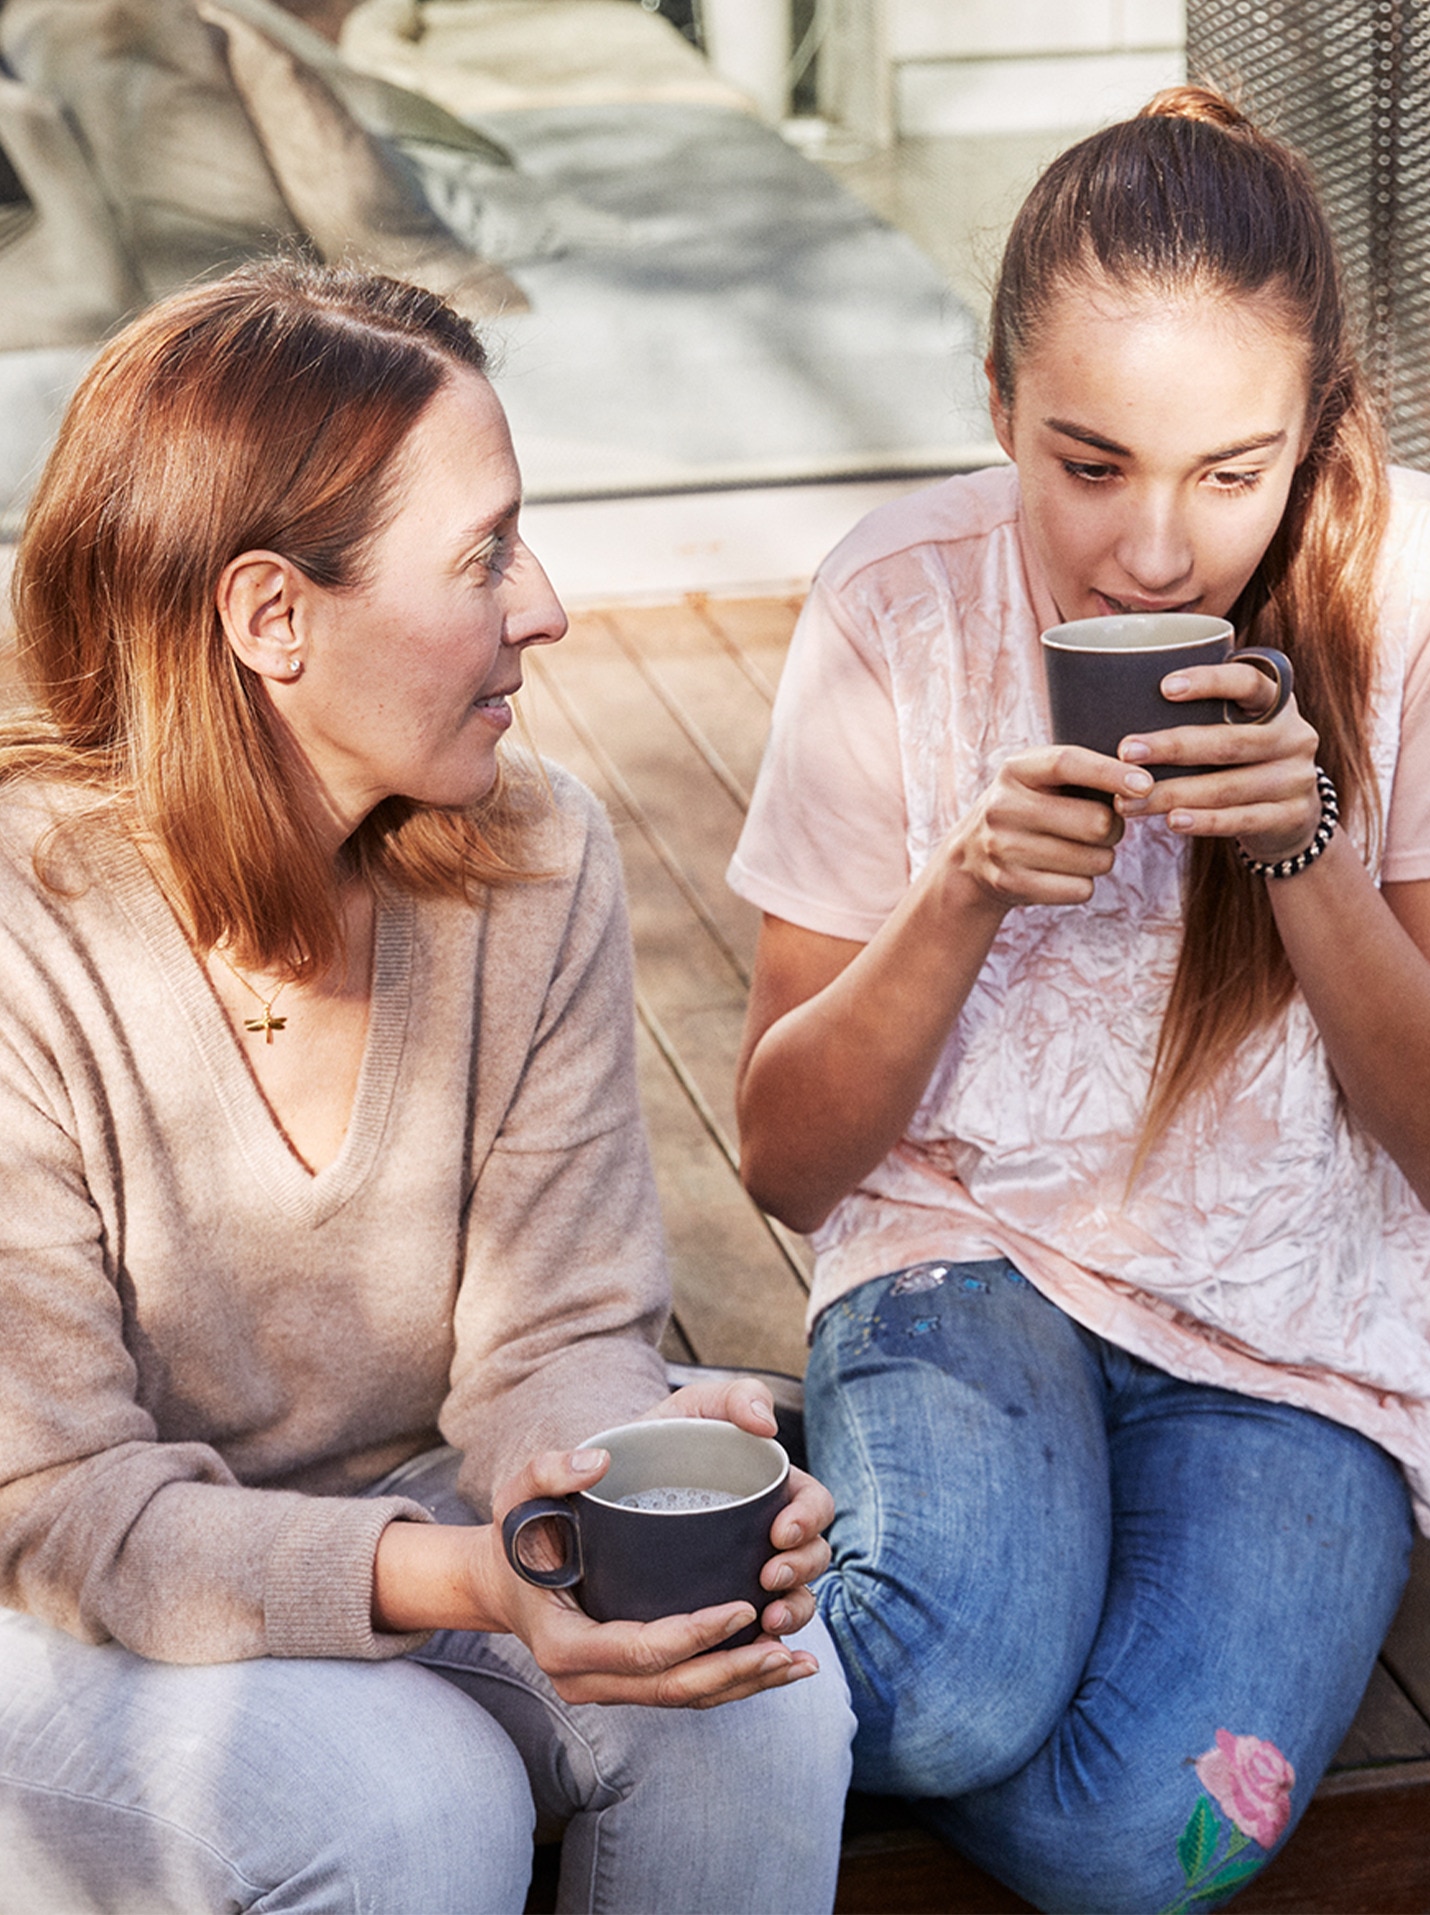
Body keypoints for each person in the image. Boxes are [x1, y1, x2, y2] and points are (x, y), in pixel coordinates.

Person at [0, 258, 854, 1915]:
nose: (544, 607)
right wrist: (469, 1573)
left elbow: (553, 1340)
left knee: (763, 1707)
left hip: (404, 1514)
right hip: (50, 1602)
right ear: (272, 618)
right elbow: (55, 1505)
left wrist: (624, 1467)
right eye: (484, 557)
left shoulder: (536, 859)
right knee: (413, 1802)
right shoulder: (23, 941)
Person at [728, 86, 1430, 1914]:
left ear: (1312, 433)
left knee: (1139, 1836)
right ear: (994, 403)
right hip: (966, 1253)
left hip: (1297, 1336)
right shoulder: (896, 607)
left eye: (1233, 475)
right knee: (943, 1692)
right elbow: (783, 1154)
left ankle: (862, 1496)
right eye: (1087, 467)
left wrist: (1305, 847)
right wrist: (966, 888)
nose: (1157, 557)